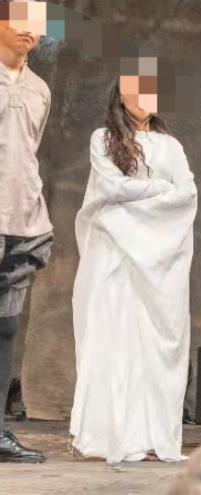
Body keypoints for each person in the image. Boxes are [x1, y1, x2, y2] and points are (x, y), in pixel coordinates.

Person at [70, 72, 198, 463]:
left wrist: (136, 205)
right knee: (115, 340)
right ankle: (111, 434)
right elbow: (111, 189)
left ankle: (152, 435)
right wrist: (160, 189)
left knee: (155, 345)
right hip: (115, 255)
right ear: (121, 97)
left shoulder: (170, 145)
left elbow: (187, 193)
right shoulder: (103, 139)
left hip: (161, 260)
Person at [0, 1, 52, 464]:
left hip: (22, 223)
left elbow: (29, 152)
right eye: (19, 18)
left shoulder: (39, 88)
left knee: (6, 326)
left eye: (36, 23)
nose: (28, 30)